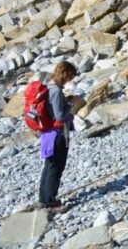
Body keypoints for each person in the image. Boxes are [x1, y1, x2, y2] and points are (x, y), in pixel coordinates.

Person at [38, 61, 77, 208]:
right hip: (58, 133)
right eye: (70, 77)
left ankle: (44, 198)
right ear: (65, 75)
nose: (69, 80)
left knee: (50, 164)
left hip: (49, 133)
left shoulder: (48, 86)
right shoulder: (55, 91)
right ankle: (50, 200)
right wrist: (71, 104)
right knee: (56, 166)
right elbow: (59, 116)